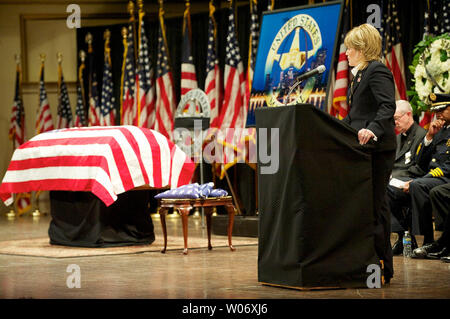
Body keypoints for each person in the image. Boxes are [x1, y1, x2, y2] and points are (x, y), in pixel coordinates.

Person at [343, 23, 397, 283]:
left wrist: (372, 129)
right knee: (365, 207)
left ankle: (383, 265)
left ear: (363, 48)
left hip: (377, 149)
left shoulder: (377, 71)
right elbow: (355, 116)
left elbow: (387, 107)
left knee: (376, 206)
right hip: (360, 149)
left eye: (350, 48)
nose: (346, 53)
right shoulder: (359, 74)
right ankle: (366, 261)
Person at [408, 93, 450, 258]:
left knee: (418, 185)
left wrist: (423, 179)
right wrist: (429, 136)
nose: (438, 113)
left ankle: (435, 240)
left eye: (442, 109)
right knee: (404, 188)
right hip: (433, 177)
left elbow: (447, 167)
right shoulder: (440, 131)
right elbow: (420, 162)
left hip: (445, 177)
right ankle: (428, 240)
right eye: (436, 110)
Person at [388, 100, 426, 254]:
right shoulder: (397, 138)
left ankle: (401, 232)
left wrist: (395, 177)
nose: (395, 122)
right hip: (394, 182)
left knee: (382, 191)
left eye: (397, 118)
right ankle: (402, 233)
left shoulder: (421, 135)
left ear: (408, 115)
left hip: (411, 182)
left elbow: (420, 167)